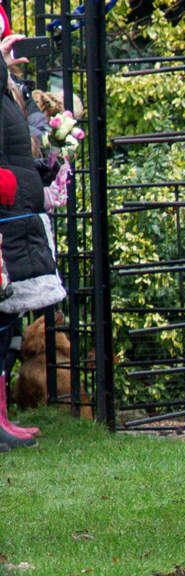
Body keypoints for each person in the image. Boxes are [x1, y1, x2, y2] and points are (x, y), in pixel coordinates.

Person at [0, 33, 68, 451]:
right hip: (8, 214)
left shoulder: (9, 91)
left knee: (6, 324)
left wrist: (51, 161)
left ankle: (2, 417)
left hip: (17, 214)